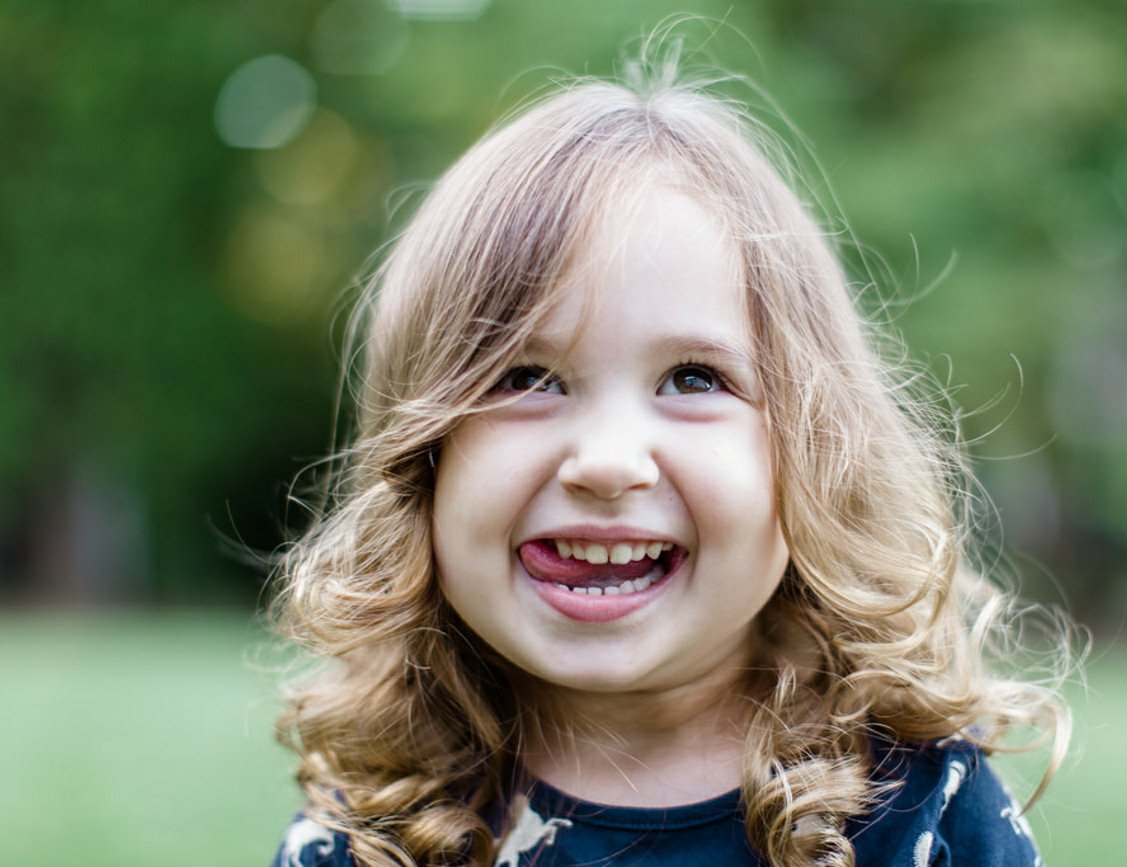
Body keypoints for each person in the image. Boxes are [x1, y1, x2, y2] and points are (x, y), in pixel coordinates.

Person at [268, 43, 1072, 867]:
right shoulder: (369, 827)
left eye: (693, 378)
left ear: (812, 456)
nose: (609, 462)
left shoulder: (919, 812)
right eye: (525, 376)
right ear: (421, 463)